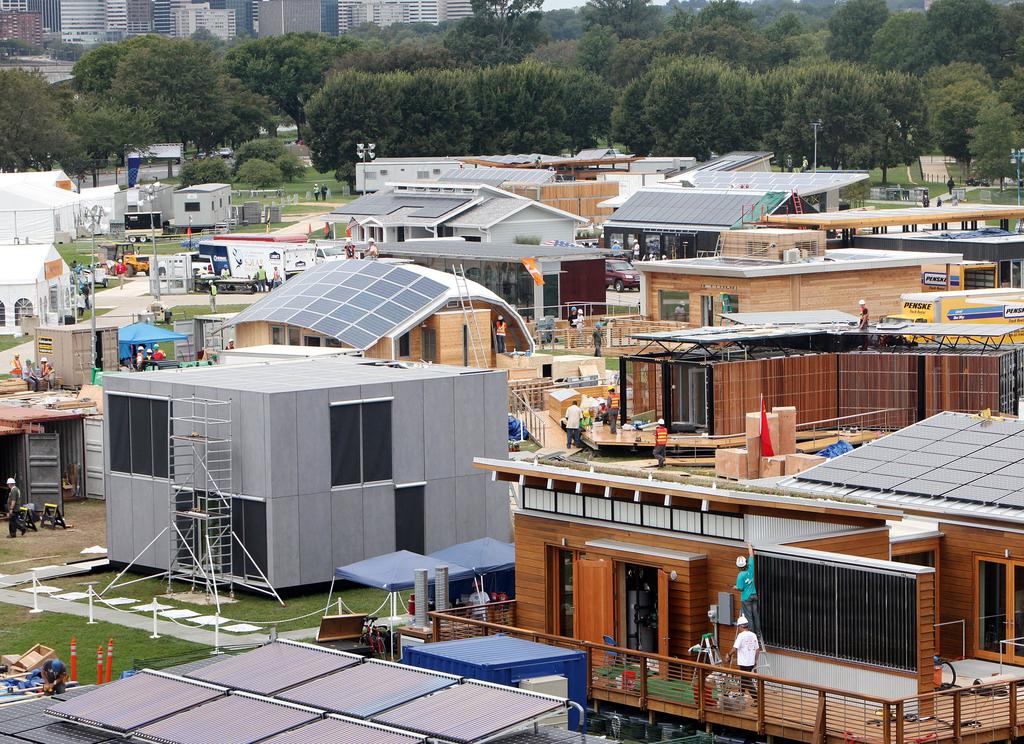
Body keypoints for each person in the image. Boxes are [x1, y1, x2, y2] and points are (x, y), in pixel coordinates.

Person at [727, 616, 760, 702]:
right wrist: (755, 661)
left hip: (744, 663)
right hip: (751, 662)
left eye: (738, 627)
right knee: (744, 678)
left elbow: (735, 648)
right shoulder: (753, 635)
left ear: (740, 626)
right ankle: (741, 692)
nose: (738, 628)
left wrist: (729, 654)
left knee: (747, 681)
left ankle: (757, 698)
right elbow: (757, 650)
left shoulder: (741, 636)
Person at [735, 545, 761, 637]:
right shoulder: (751, 568)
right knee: (756, 615)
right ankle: (758, 634)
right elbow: (751, 555)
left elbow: (741, 588)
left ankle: (752, 635)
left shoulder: (740, 575)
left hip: (746, 598)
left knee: (749, 617)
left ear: (738, 566)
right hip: (754, 595)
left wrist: (736, 587)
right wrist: (749, 545)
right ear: (745, 563)